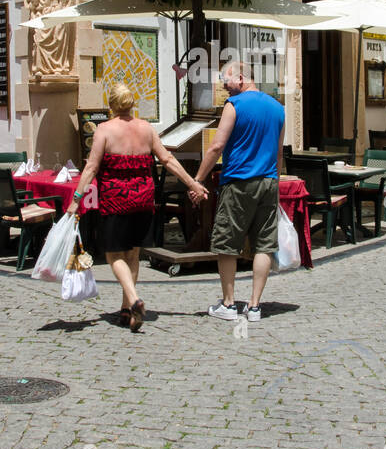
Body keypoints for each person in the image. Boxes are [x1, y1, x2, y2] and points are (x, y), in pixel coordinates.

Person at [68, 82, 205, 332]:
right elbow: (168, 159)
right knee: (133, 253)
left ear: (111, 105)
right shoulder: (146, 129)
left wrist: (76, 199)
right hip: (143, 199)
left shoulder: (104, 130)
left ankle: (133, 299)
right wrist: (192, 184)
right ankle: (127, 310)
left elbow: (91, 167)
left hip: (115, 200)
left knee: (113, 254)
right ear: (132, 104)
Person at [195, 60, 285, 323]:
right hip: (268, 182)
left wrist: (198, 179)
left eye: (226, 79)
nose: (224, 85)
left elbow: (216, 146)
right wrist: (275, 182)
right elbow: (278, 152)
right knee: (264, 246)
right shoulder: (278, 108)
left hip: (238, 182)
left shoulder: (234, 105)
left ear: (242, 78)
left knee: (227, 243)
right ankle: (255, 306)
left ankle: (229, 303)